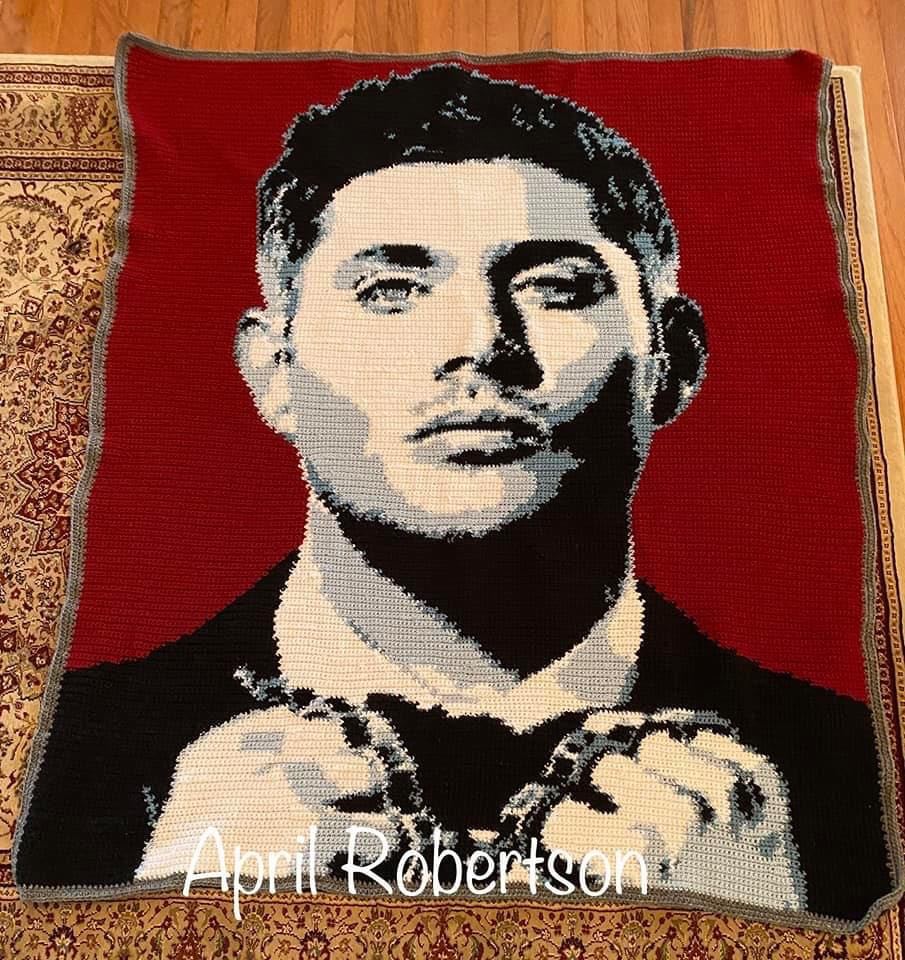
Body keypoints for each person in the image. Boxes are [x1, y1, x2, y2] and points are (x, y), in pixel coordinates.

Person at [15, 63, 892, 923]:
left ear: (673, 361)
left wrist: (767, 923)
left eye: (557, 289)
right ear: (274, 370)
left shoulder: (854, 768)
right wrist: (174, 903)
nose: (479, 344)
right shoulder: (61, 749)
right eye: (390, 290)